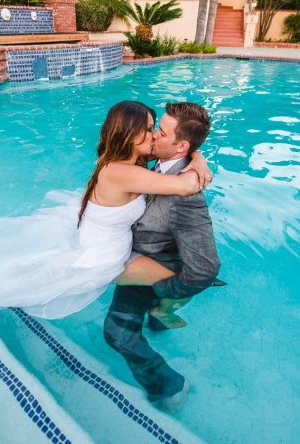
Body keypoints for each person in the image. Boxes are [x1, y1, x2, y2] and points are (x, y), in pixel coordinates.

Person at [0, 101, 212, 320]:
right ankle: (163, 312)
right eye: (149, 129)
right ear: (129, 135)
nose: (154, 136)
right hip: (103, 255)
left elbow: (175, 167)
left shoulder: (132, 161)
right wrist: (199, 160)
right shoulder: (124, 171)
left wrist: (195, 155)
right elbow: (185, 186)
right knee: (187, 282)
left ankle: (159, 309)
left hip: (103, 236)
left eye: (157, 130)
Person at [104, 102, 221, 415]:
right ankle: (159, 319)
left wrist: (163, 290)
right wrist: (198, 157)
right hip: (138, 257)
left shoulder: (188, 200)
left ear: (179, 145)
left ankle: (169, 386)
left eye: (161, 132)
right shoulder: (153, 157)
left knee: (116, 334)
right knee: (148, 322)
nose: (152, 136)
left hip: (155, 270)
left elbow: (205, 269)